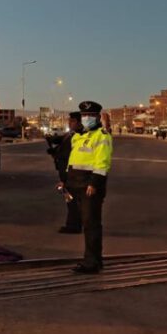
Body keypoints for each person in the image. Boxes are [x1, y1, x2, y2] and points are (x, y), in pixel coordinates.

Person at [65, 100, 113, 274]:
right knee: (87, 223)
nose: (86, 118)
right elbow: (73, 161)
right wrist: (66, 182)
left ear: (97, 117)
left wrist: (94, 183)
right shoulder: (79, 136)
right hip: (77, 184)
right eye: (84, 115)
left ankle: (91, 262)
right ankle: (95, 260)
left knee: (91, 224)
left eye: (90, 116)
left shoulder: (102, 136)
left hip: (89, 186)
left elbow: (102, 163)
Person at [49, 112, 83, 233]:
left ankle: (74, 226)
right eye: (69, 121)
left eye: (72, 121)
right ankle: (73, 224)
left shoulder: (79, 136)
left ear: (79, 123)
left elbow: (71, 153)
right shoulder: (70, 134)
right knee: (69, 199)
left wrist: (58, 154)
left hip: (72, 174)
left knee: (72, 200)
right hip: (65, 173)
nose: (70, 123)